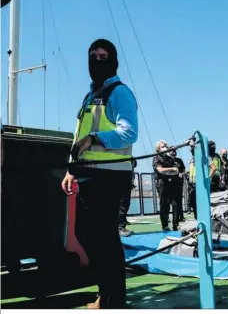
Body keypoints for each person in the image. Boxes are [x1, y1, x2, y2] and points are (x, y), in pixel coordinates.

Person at [61, 39, 138, 309]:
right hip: (87, 175)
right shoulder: (90, 96)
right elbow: (77, 136)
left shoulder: (120, 93)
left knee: (104, 238)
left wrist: (94, 140)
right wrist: (71, 170)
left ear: (114, 60)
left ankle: (112, 298)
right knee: (88, 235)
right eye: (92, 55)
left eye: (103, 56)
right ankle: (105, 292)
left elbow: (129, 132)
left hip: (110, 176)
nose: (97, 60)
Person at [153, 140, 185, 231]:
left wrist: (171, 171)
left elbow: (177, 170)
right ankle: (165, 225)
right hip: (162, 183)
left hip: (173, 183)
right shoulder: (156, 158)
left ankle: (176, 224)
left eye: (166, 146)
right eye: (163, 146)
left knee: (175, 204)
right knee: (164, 205)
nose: (165, 148)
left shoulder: (170, 159)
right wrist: (171, 169)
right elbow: (160, 170)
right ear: (158, 149)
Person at [188, 143, 217, 219]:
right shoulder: (192, 159)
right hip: (193, 184)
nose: (191, 150)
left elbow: (214, 168)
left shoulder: (205, 157)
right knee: (195, 204)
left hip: (202, 184)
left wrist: (207, 178)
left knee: (204, 203)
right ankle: (197, 220)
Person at [118, 159, 137, 237]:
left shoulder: (129, 156)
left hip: (127, 181)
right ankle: (120, 228)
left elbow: (134, 164)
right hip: (119, 180)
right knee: (121, 205)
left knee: (125, 204)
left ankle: (121, 227)